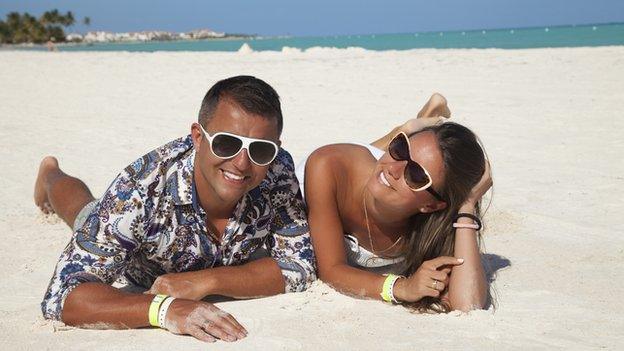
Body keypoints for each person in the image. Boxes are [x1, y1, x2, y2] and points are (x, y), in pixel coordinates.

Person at [37, 76, 316, 342]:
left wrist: (206, 281)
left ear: (275, 149)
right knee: (84, 212)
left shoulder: (277, 169)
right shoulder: (137, 190)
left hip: (206, 264)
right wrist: (165, 309)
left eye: (260, 150)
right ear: (197, 137)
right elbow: (63, 295)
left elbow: (300, 264)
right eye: (226, 143)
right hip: (133, 255)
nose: (242, 163)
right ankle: (50, 173)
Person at [297, 94, 491, 312]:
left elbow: (469, 304)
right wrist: (402, 287)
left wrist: (467, 205)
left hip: (375, 170)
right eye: (400, 146)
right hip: (325, 175)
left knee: (387, 164)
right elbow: (331, 269)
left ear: (432, 205)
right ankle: (403, 131)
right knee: (381, 161)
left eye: (416, 175)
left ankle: (412, 129)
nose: (394, 168)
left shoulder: (435, 221)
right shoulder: (329, 166)